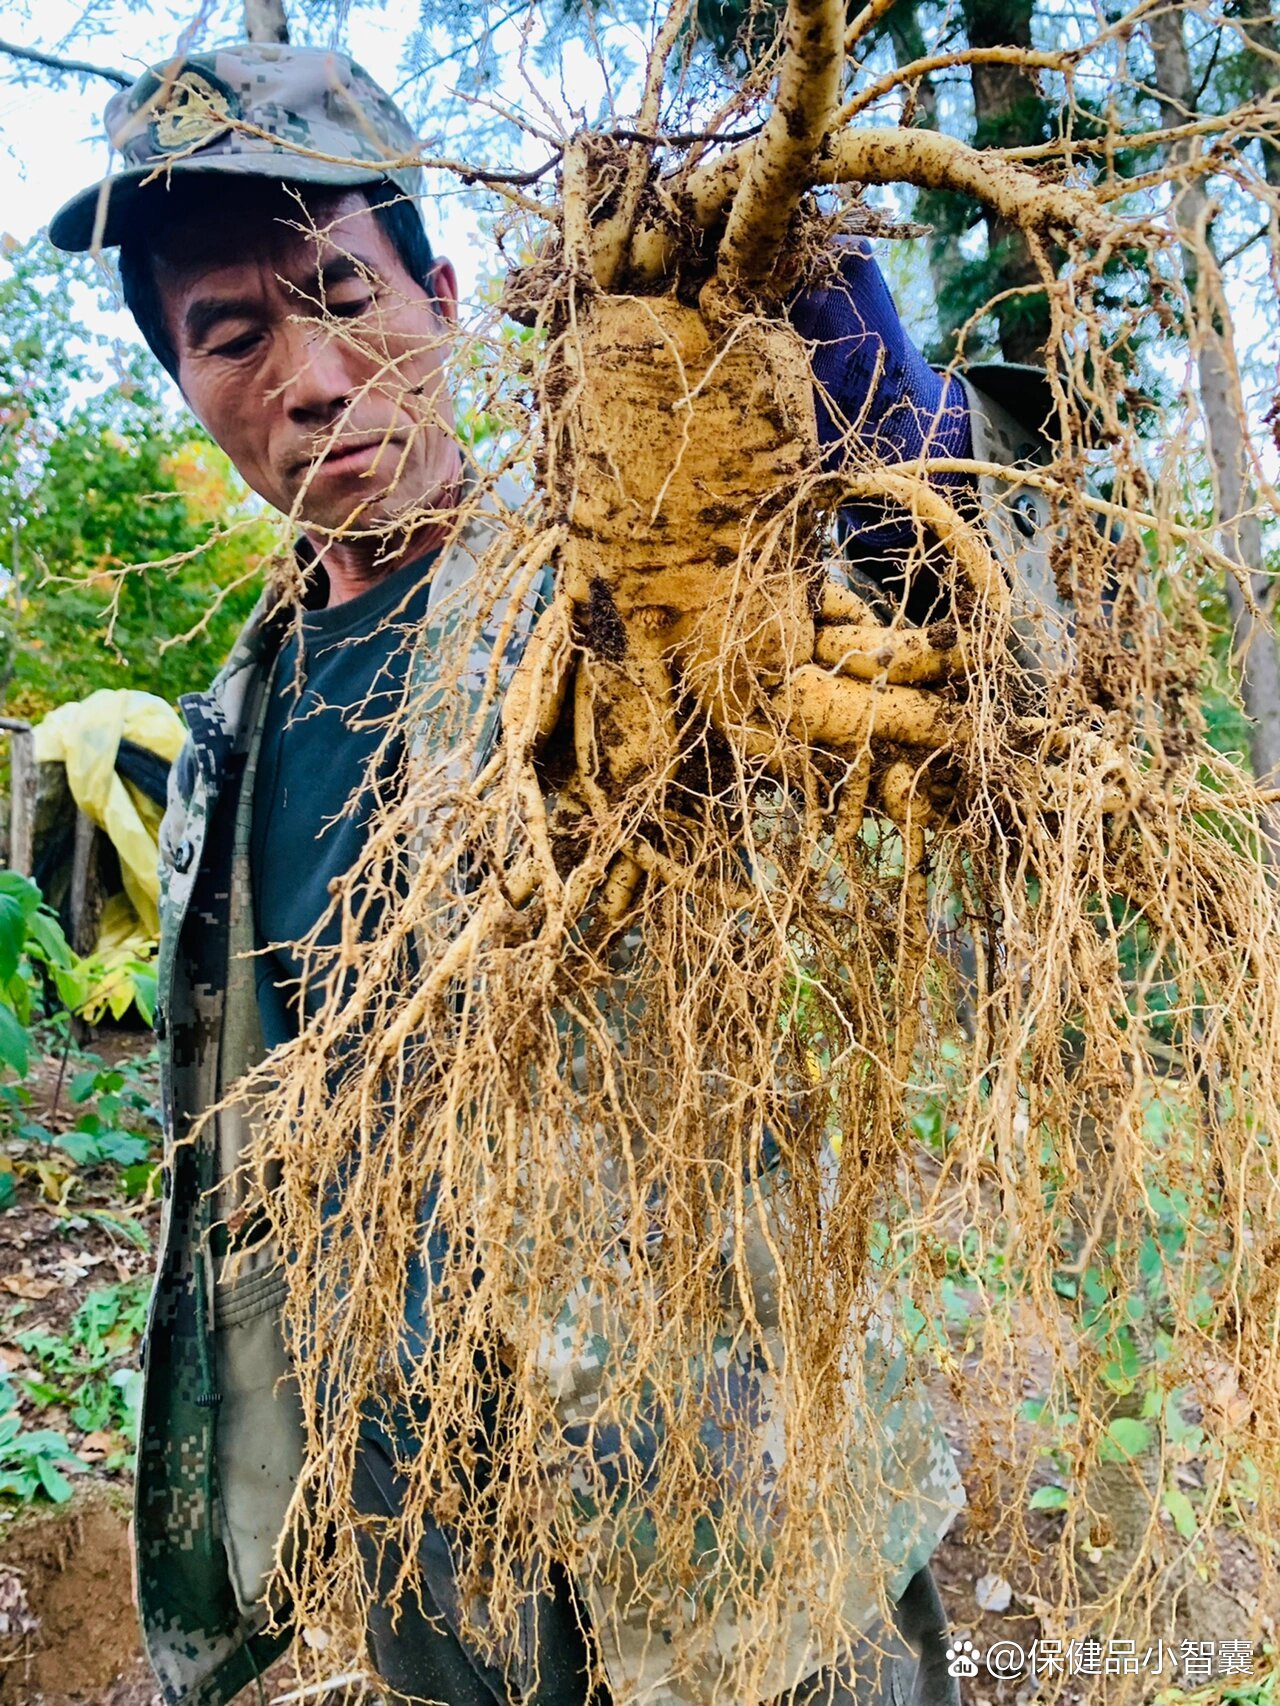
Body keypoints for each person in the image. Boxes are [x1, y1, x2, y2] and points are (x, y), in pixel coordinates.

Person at [50, 42, 1058, 1706]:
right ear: (189, 387)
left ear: (444, 297)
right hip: (437, 1526)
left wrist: (907, 459)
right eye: (233, 335)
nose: (309, 376)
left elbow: (983, 658)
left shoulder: (627, 588)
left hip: (731, 1496)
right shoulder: (235, 726)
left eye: (339, 290)